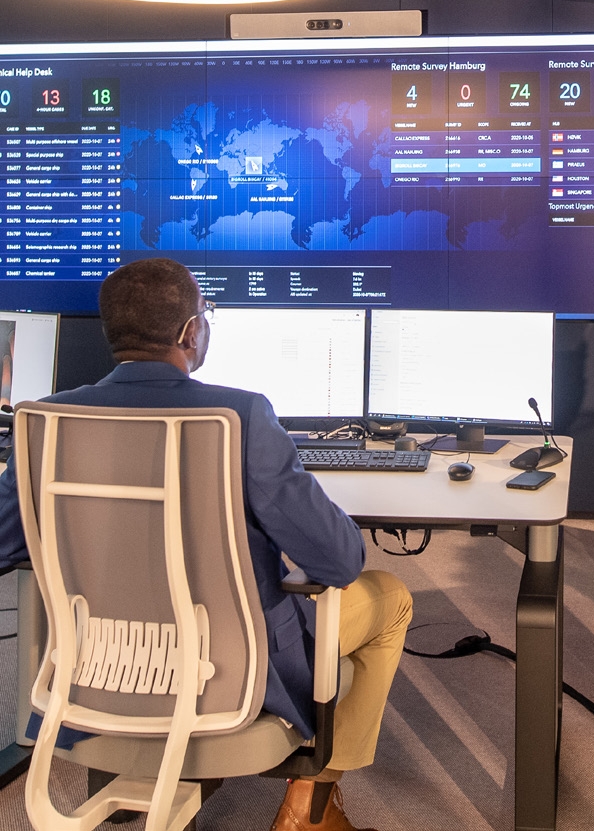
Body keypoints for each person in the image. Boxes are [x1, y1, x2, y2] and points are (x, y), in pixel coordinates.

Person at [0, 258, 412, 831]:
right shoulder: (241, 417)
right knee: (389, 597)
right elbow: (339, 561)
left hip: (100, 666)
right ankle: (313, 802)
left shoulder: (45, 423)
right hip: (229, 668)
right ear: (191, 333)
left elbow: (5, 543)